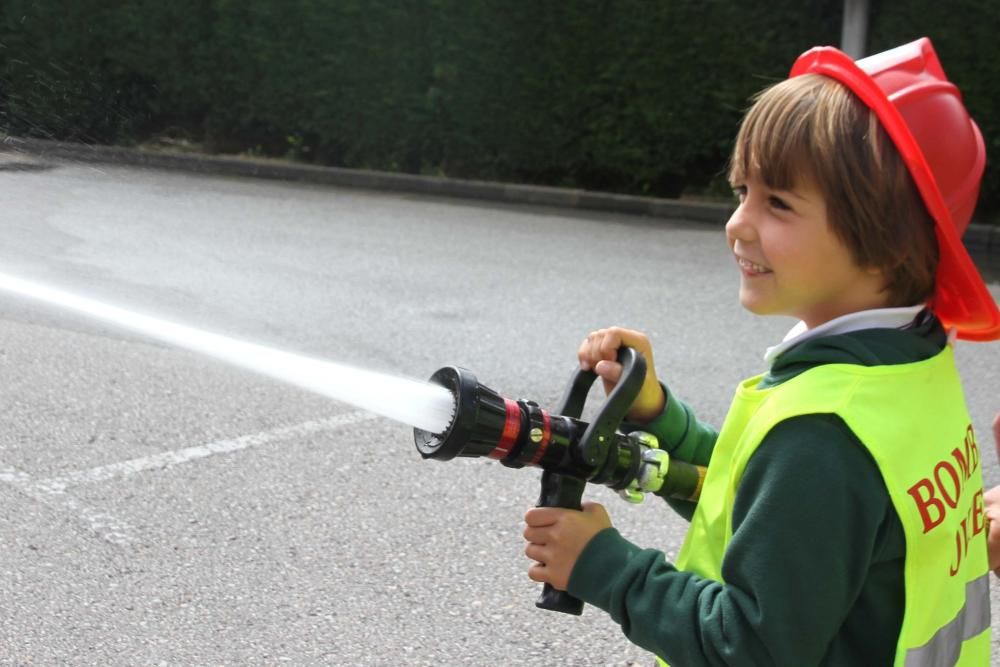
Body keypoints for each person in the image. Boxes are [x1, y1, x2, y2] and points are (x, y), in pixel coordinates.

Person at [522, 38, 1000, 666]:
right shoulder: (908, 365)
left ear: (887, 241)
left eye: (777, 203)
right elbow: (782, 515)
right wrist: (659, 417)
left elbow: (748, 648)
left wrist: (610, 570)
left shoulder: (825, 432)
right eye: (742, 191)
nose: (738, 223)